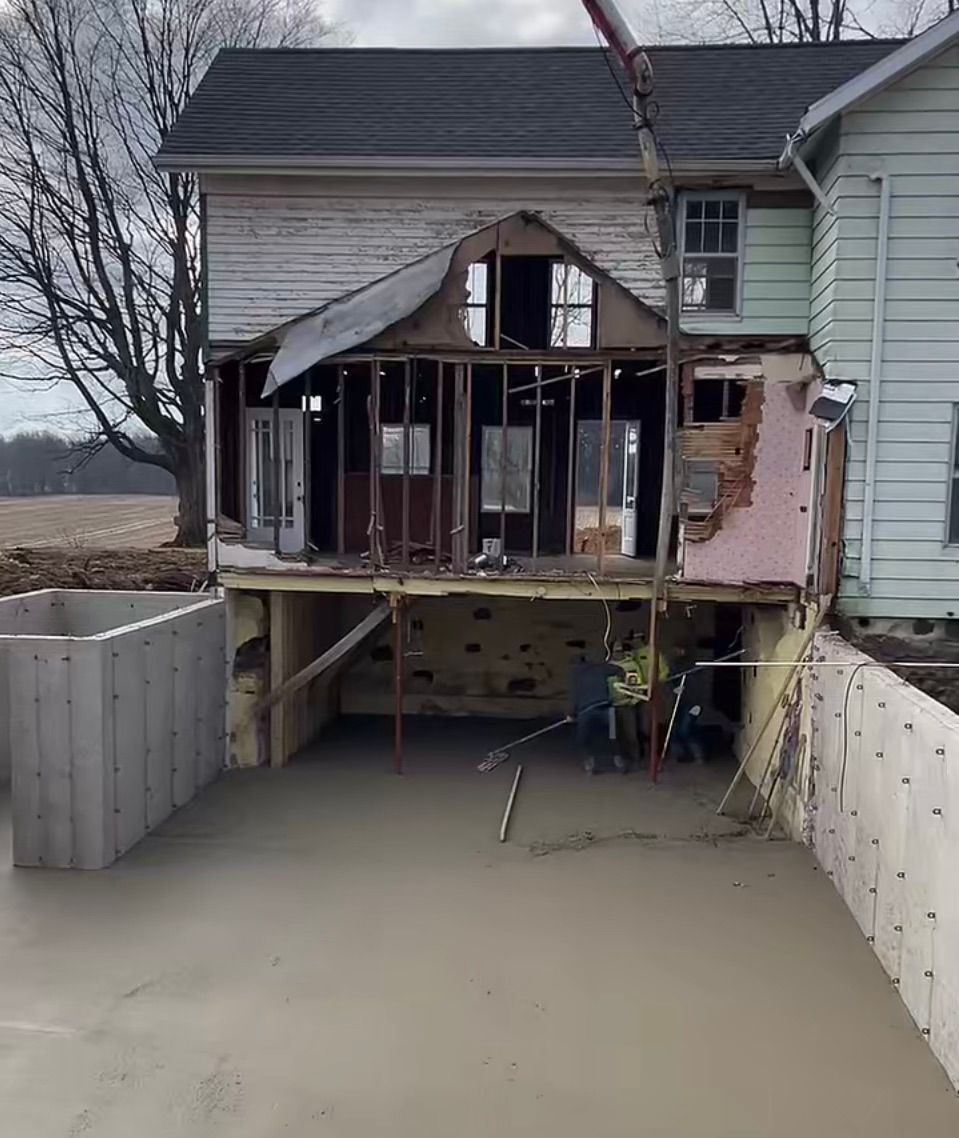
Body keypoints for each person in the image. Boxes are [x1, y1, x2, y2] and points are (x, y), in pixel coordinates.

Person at [608, 634, 669, 771]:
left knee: (634, 732)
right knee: (614, 734)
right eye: (616, 650)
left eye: (621, 649)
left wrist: (637, 691)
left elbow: (639, 680)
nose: (620, 652)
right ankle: (620, 759)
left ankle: (637, 760)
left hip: (633, 702)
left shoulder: (632, 662)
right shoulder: (608, 666)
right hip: (613, 704)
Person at [568, 657, 618, 774]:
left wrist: (572, 714)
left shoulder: (576, 676)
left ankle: (589, 763)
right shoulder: (600, 668)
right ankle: (618, 759)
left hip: (586, 711)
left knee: (583, 738)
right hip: (605, 707)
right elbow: (618, 669)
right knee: (613, 735)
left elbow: (575, 696)